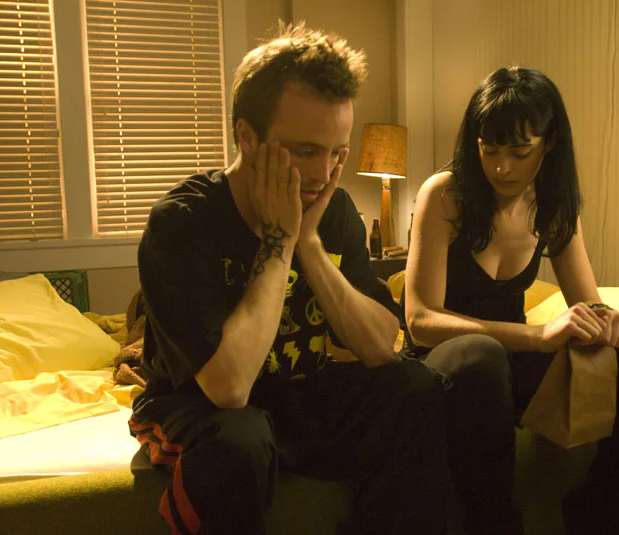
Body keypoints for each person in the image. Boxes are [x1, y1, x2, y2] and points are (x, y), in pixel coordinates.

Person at [129, 23, 451, 535]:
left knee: (414, 386)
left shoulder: (332, 208)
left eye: (337, 152)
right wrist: (279, 241)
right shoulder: (182, 222)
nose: (323, 173)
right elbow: (228, 388)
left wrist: (310, 244)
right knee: (239, 442)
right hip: (197, 405)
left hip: (300, 392)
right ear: (247, 137)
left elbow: (380, 347)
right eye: (304, 152)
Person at [402, 66, 619, 535]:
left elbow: (589, 301)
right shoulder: (444, 195)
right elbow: (420, 320)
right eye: (489, 150)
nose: (502, 167)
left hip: (517, 361)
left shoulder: (553, 202)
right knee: (481, 356)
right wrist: (537, 336)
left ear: (549, 142)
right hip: (449, 365)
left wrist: (606, 321)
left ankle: (602, 510)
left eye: (519, 152)